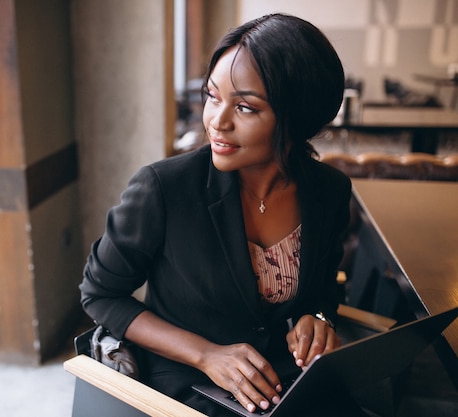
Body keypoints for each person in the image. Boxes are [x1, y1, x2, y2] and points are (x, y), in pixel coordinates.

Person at [80, 13, 365, 416]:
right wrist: (206, 354)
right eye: (213, 96)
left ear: (297, 116)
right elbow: (100, 294)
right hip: (187, 381)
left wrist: (317, 318)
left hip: (282, 377)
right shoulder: (163, 189)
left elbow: (323, 292)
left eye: (245, 107)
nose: (217, 121)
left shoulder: (328, 191)